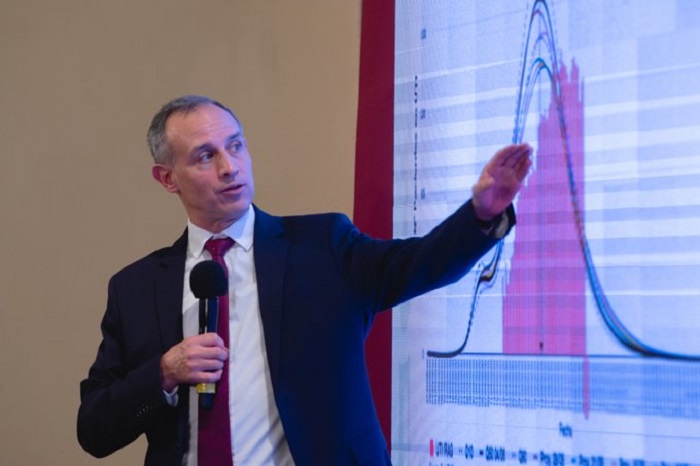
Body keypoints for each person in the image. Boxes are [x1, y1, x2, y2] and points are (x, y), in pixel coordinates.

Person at [77, 95, 532, 465]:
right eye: (205, 156)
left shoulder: (323, 248)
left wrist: (480, 215)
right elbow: (94, 430)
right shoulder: (135, 289)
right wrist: (163, 373)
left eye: (236, 146)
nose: (229, 167)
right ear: (167, 179)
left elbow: (417, 264)